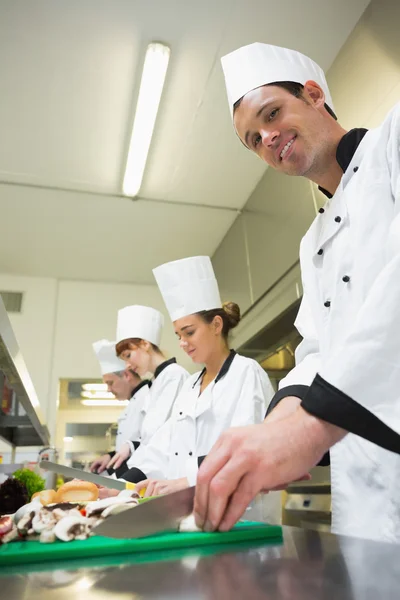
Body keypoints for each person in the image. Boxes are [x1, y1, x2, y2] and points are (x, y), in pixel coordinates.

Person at [193, 43, 400, 543]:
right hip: (369, 510)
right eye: (252, 139)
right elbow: (315, 352)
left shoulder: (392, 145)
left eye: (272, 113)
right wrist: (276, 427)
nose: (267, 138)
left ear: (313, 94)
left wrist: (311, 427)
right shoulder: (313, 245)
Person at [119, 257, 275, 505]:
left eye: (189, 332)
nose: (182, 342)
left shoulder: (246, 372)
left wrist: (186, 480)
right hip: (189, 509)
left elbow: (246, 450)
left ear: (216, 325)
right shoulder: (191, 385)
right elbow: (163, 446)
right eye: (179, 335)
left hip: (238, 515)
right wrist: (122, 486)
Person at [106, 305, 189, 471]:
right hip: (149, 471)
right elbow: (147, 441)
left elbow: (159, 441)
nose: (128, 366)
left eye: (128, 356)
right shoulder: (156, 381)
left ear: (145, 344)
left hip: (164, 473)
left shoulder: (174, 375)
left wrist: (127, 480)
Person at [89, 339, 151, 477]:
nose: (109, 389)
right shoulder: (134, 402)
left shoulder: (149, 396)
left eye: (110, 383)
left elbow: (148, 445)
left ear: (127, 375)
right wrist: (111, 456)